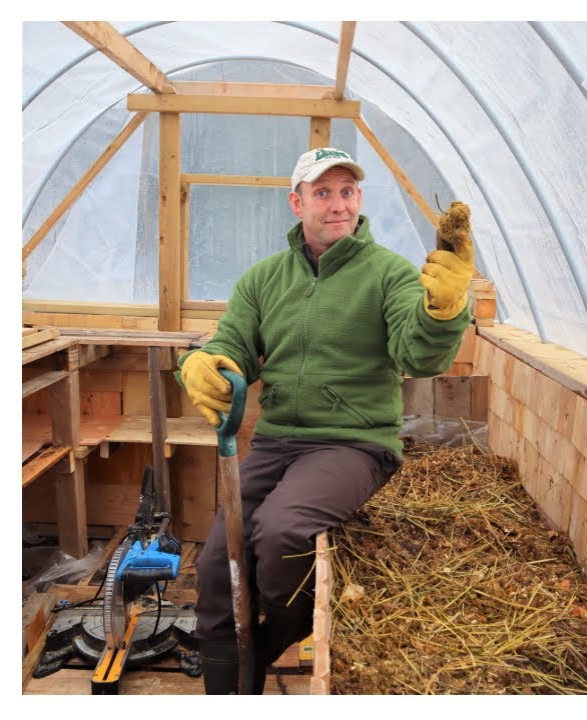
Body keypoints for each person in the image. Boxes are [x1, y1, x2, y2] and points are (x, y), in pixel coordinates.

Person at [175, 147, 475, 693]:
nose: (337, 205)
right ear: (297, 203)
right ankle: (226, 691)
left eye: (347, 192)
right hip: (276, 442)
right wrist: (199, 363)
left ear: (358, 200)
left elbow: (421, 356)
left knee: (280, 533)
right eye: (322, 193)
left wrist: (444, 312)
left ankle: (264, 647)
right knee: (216, 563)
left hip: (354, 444)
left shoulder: (389, 274)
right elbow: (231, 345)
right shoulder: (265, 279)